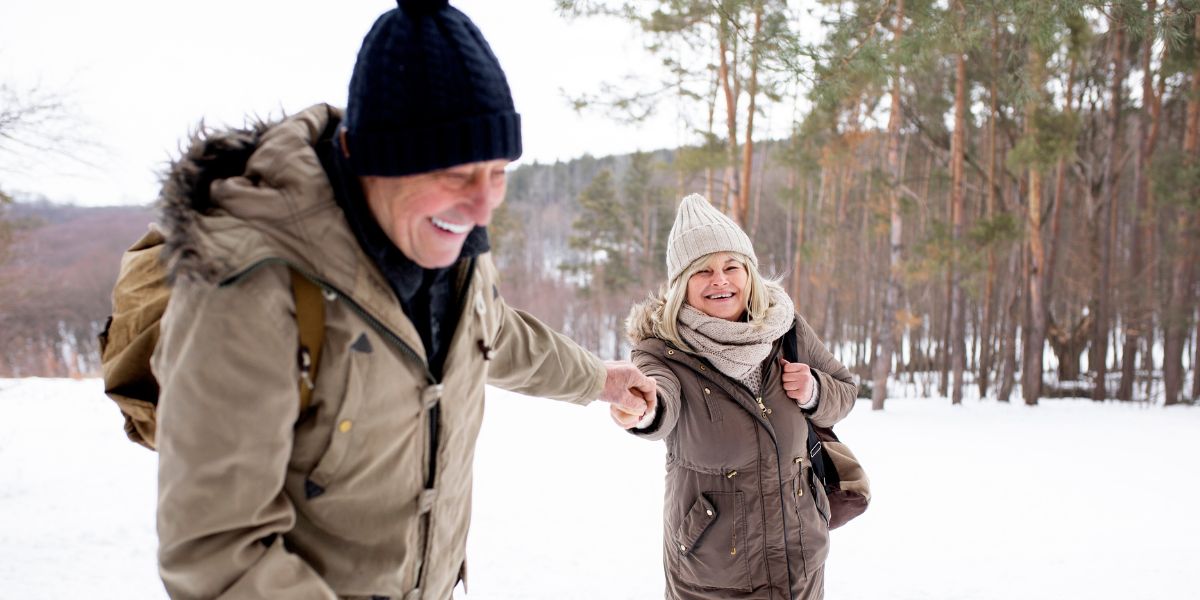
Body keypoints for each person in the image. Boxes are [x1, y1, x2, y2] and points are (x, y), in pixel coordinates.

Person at [150, 1, 655, 598]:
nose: (484, 204)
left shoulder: (448, 239)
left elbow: (492, 331)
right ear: (375, 162)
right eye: (457, 174)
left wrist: (598, 378)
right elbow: (216, 553)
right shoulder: (250, 285)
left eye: (498, 171)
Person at [618, 193, 857, 600]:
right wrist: (645, 408)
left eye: (732, 266)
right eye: (703, 271)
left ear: (749, 273)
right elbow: (660, 397)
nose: (721, 280)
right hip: (714, 575)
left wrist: (815, 389)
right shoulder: (661, 349)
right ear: (681, 285)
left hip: (800, 560)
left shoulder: (785, 330)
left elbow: (845, 390)